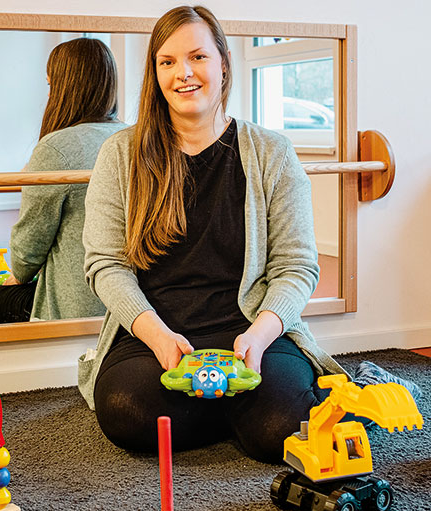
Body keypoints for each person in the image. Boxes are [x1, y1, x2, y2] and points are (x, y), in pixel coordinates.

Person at [79, 5, 420, 462]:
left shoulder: (272, 152)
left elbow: (297, 265)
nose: (184, 73)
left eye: (198, 57)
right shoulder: (119, 154)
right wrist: (158, 337)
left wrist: (260, 335)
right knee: (128, 412)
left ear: (223, 62)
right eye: (168, 61)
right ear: (155, 72)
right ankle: (239, 413)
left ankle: (248, 411)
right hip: (154, 339)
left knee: (282, 430)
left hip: (249, 334)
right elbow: (105, 264)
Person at [0, 38, 127, 325]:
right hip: (132, 301)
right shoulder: (134, 137)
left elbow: (28, 250)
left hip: (80, 305)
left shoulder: (56, 148)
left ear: (63, 89)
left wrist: (19, 274)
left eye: (51, 85)